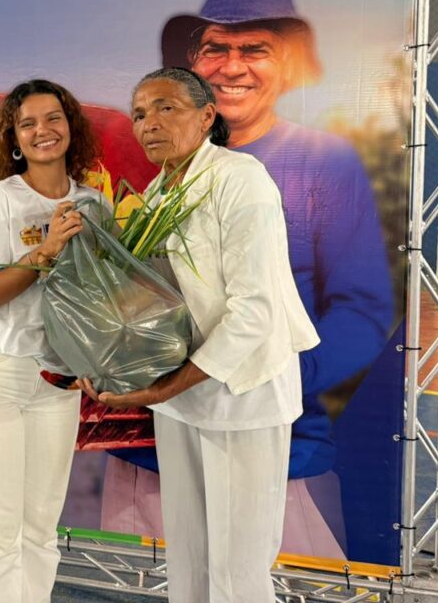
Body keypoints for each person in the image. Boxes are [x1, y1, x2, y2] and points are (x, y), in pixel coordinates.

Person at [102, 0, 394, 558]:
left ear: (284, 64)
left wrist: (269, 372)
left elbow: (362, 309)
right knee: (176, 577)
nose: (233, 66)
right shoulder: (153, 183)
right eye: (216, 48)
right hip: (155, 432)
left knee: (245, 576)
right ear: (195, 63)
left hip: (267, 438)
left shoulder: (321, 162)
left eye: (254, 49)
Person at [84, 67, 319, 602]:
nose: (149, 123)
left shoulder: (239, 178)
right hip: (180, 398)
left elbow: (255, 311)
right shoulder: (156, 193)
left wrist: (165, 387)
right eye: (140, 113)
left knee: (238, 568)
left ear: (207, 115)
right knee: (188, 555)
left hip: (241, 394)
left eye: (166, 107)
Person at [0, 78, 101, 603]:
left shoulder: (92, 202)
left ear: (70, 126)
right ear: (14, 139)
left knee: (40, 529)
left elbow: (100, 298)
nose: (43, 130)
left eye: (53, 118)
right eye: (28, 123)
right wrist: (46, 251)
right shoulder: (1, 201)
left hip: (57, 383)